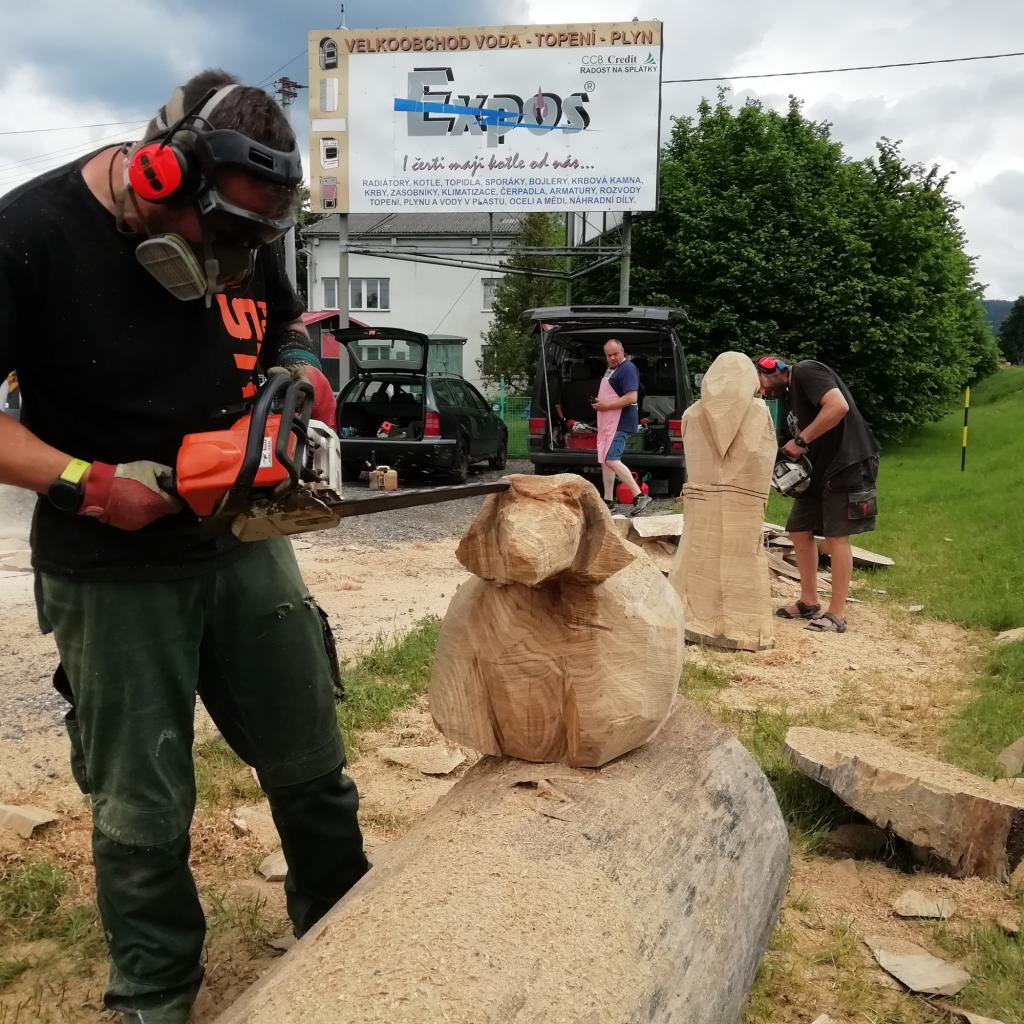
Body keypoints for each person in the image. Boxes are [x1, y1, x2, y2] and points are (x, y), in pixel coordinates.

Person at [0, 70, 368, 1023]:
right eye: (221, 237)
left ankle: (349, 941)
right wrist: (87, 483)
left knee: (312, 761)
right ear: (161, 172)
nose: (230, 261)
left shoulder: (247, 226)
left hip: (244, 536)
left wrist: (297, 378)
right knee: (142, 808)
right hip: (110, 566)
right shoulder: (29, 235)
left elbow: (288, 326)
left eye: (253, 243)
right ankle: (157, 994)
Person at [755, 355, 880, 634]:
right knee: (799, 529)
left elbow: (838, 406)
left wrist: (800, 441)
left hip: (847, 463)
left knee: (836, 536)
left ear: (773, 367)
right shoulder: (788, 396)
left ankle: (837, 614)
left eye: (760, 383)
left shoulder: (806, 371)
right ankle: (808, 602)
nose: (762, 391)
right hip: (818, 470)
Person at [591, 338, 652, 515]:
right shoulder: (611, 370)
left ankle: (639, 495)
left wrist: (605, 406)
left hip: (620, 421)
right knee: (605, 461)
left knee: (611, 459)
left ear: (623, 351)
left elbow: (631, 397)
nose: (612, 358)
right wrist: (600, 403)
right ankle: (608, 501)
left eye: (615, 354)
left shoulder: (627, 369)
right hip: (608, 421)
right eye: (608, 355)